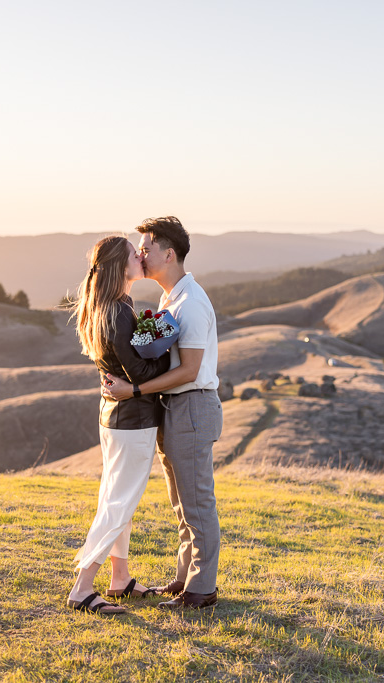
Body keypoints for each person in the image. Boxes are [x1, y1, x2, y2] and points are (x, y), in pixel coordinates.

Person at [103, 216, 223, 610]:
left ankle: (201, 591)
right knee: (180, 500)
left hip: (191, 406)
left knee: (197, 501)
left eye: (147, 247)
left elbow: (188, 370)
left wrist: (133, 389)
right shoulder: (172, 299)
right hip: (174, 407)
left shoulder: (191, 303)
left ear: (168, 254)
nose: (140, 253)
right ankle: (183, 578)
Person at [67, 234, 172, 615]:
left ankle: (120, 579)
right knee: (118, 504)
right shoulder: (118, 311)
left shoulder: (109, 306)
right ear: (119, 266)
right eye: (133, 253)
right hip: (132, 420)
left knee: (117, 500)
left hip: (114, 418)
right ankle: (82, 588)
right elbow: (139, 371)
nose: (140, 256)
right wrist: (168, 346)